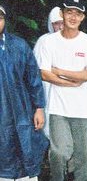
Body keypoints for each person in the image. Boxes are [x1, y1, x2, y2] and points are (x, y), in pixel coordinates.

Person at [36, 0, 87, 181]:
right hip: (58, 106)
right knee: (59, 151)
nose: (73, 17)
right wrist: (71, 81)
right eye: (69, 12)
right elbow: (44, 73)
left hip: (83, 107)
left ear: (83, 17)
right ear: (62, 14)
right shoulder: (49, 42)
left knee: (82, 154)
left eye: (78, 13)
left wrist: (60, 71)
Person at [0, 2, 48, 181]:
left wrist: (39, 107)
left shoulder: (19, 46)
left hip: (23, 114)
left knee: (28, 156)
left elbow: (33, 79)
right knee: (2, 160)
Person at [33, 7, 65, 138]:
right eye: (56, 23)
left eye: (62, 23)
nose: (60, 26)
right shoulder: (43, 41)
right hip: (46, 87)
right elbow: (36, 68)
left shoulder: (72, 41)